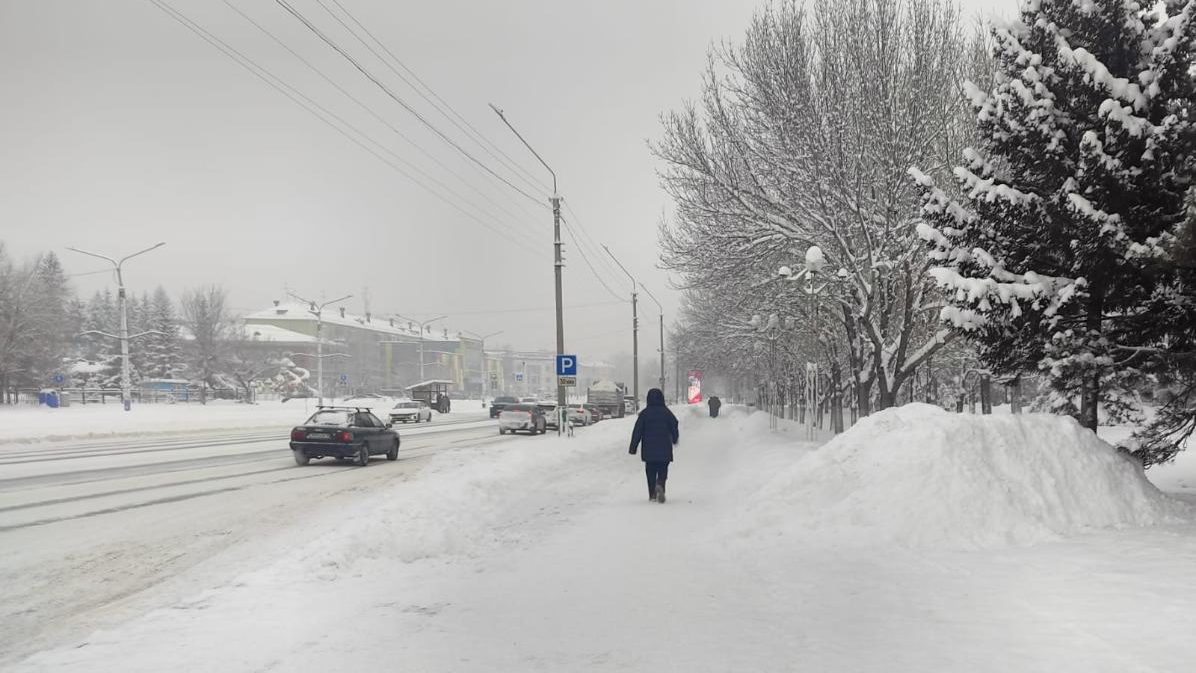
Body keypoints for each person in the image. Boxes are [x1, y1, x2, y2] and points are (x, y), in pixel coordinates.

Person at [628, 388, 679, 503]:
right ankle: (660, 484)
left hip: (649, 449)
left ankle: (652, 494)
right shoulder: (666, 412)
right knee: (663, 469)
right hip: (664, 448)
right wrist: (675, 438)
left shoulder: (644, 414)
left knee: (650, 471)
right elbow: (674, 424)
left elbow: (637, 431)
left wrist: (633, 447)